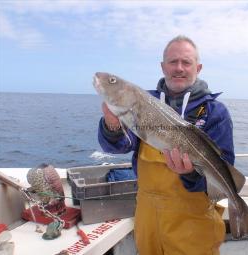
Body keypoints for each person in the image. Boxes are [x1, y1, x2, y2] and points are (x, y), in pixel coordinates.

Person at [98, 35, 235, 255]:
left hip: (193, 223)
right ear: (163, 67)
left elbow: (224, 167)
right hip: (147, 218)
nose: (179, 68)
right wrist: (112, 126)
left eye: (186, 62)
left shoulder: (214, 112)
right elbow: (120, 146)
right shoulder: (143, 101)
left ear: (197, 68)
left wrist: (190, 174)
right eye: (173, 62)